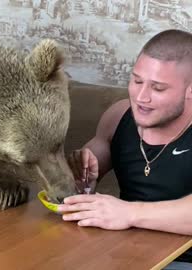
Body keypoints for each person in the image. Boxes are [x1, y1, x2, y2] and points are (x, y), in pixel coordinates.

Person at [60, 29, 192, 267]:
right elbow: (87, 168)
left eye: (158, 88)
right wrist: (81, 178)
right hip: (123, 253)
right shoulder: (118, 115)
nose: (141, 97)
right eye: (137, 80)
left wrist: (127, 213)